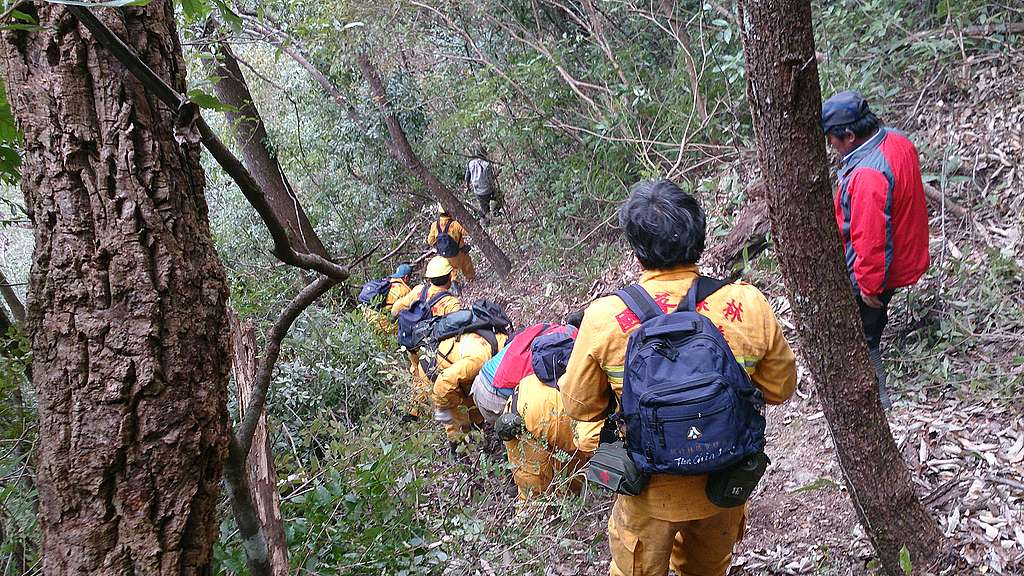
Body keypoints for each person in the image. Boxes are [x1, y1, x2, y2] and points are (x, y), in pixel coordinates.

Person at [560, 180, 797, 576]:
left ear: (636, 249)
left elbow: (579, 406)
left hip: (649, 492)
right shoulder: (748, 303)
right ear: (700, 237)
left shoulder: (604, 318)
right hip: (723, 484)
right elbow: (780, 388)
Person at [821, 90, 930, 408]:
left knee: (864, 336)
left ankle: (877, 403)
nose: (831, 146)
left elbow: (870, 239)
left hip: (881, 268)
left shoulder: (868, 176)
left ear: (850, 135)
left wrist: (869, 286)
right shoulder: (897, 140)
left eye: (833, 140)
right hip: (904, 252)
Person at [502, 332, 603, 502]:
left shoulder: (529, 381)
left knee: (530, 495)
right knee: (537, 500)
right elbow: (578, 443)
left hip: (526, 445)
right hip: (533, 455)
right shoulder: (558, 400)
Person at [391, 257, 462, 420]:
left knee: (417, 374)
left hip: (413, 344)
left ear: (429, 278)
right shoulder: (451, 303)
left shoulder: (418, 291)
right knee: (432, 381)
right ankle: (440, 414)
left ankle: (413, 411)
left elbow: (395, 309)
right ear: (450, 277)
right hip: (432, 351)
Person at [431, 326, 508, 448]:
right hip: (444, 369)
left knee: (473, 402)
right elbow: (444, 381)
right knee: (456, 417)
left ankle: (478, 431)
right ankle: (457, 449)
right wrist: (441, 407)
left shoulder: (503, 341)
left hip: (462, 367)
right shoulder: (479, 359)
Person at [427, 204, 476, 283]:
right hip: (459, 252)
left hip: (444, 254)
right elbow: (468, 232)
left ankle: (454, 281)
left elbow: (430, 241)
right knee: (466, 262)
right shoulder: (455, 224)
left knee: (451, 268)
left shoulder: (434, 225)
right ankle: (471, 278)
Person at [361, 264, 413, 333]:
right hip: (381, 320)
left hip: (368, 315)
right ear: (406, 277)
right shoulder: (404, 290)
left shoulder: (387, 282)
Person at [464, 145, 497, 217]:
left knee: (484, 209)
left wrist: (468, 187)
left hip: (478, 191)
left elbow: (467, 178)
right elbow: (491, 178)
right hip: (488, 189)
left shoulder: (470, 163)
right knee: (497, 197)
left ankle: (486, 218)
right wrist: (497, 173)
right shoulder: (487, 164)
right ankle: (495, 211)